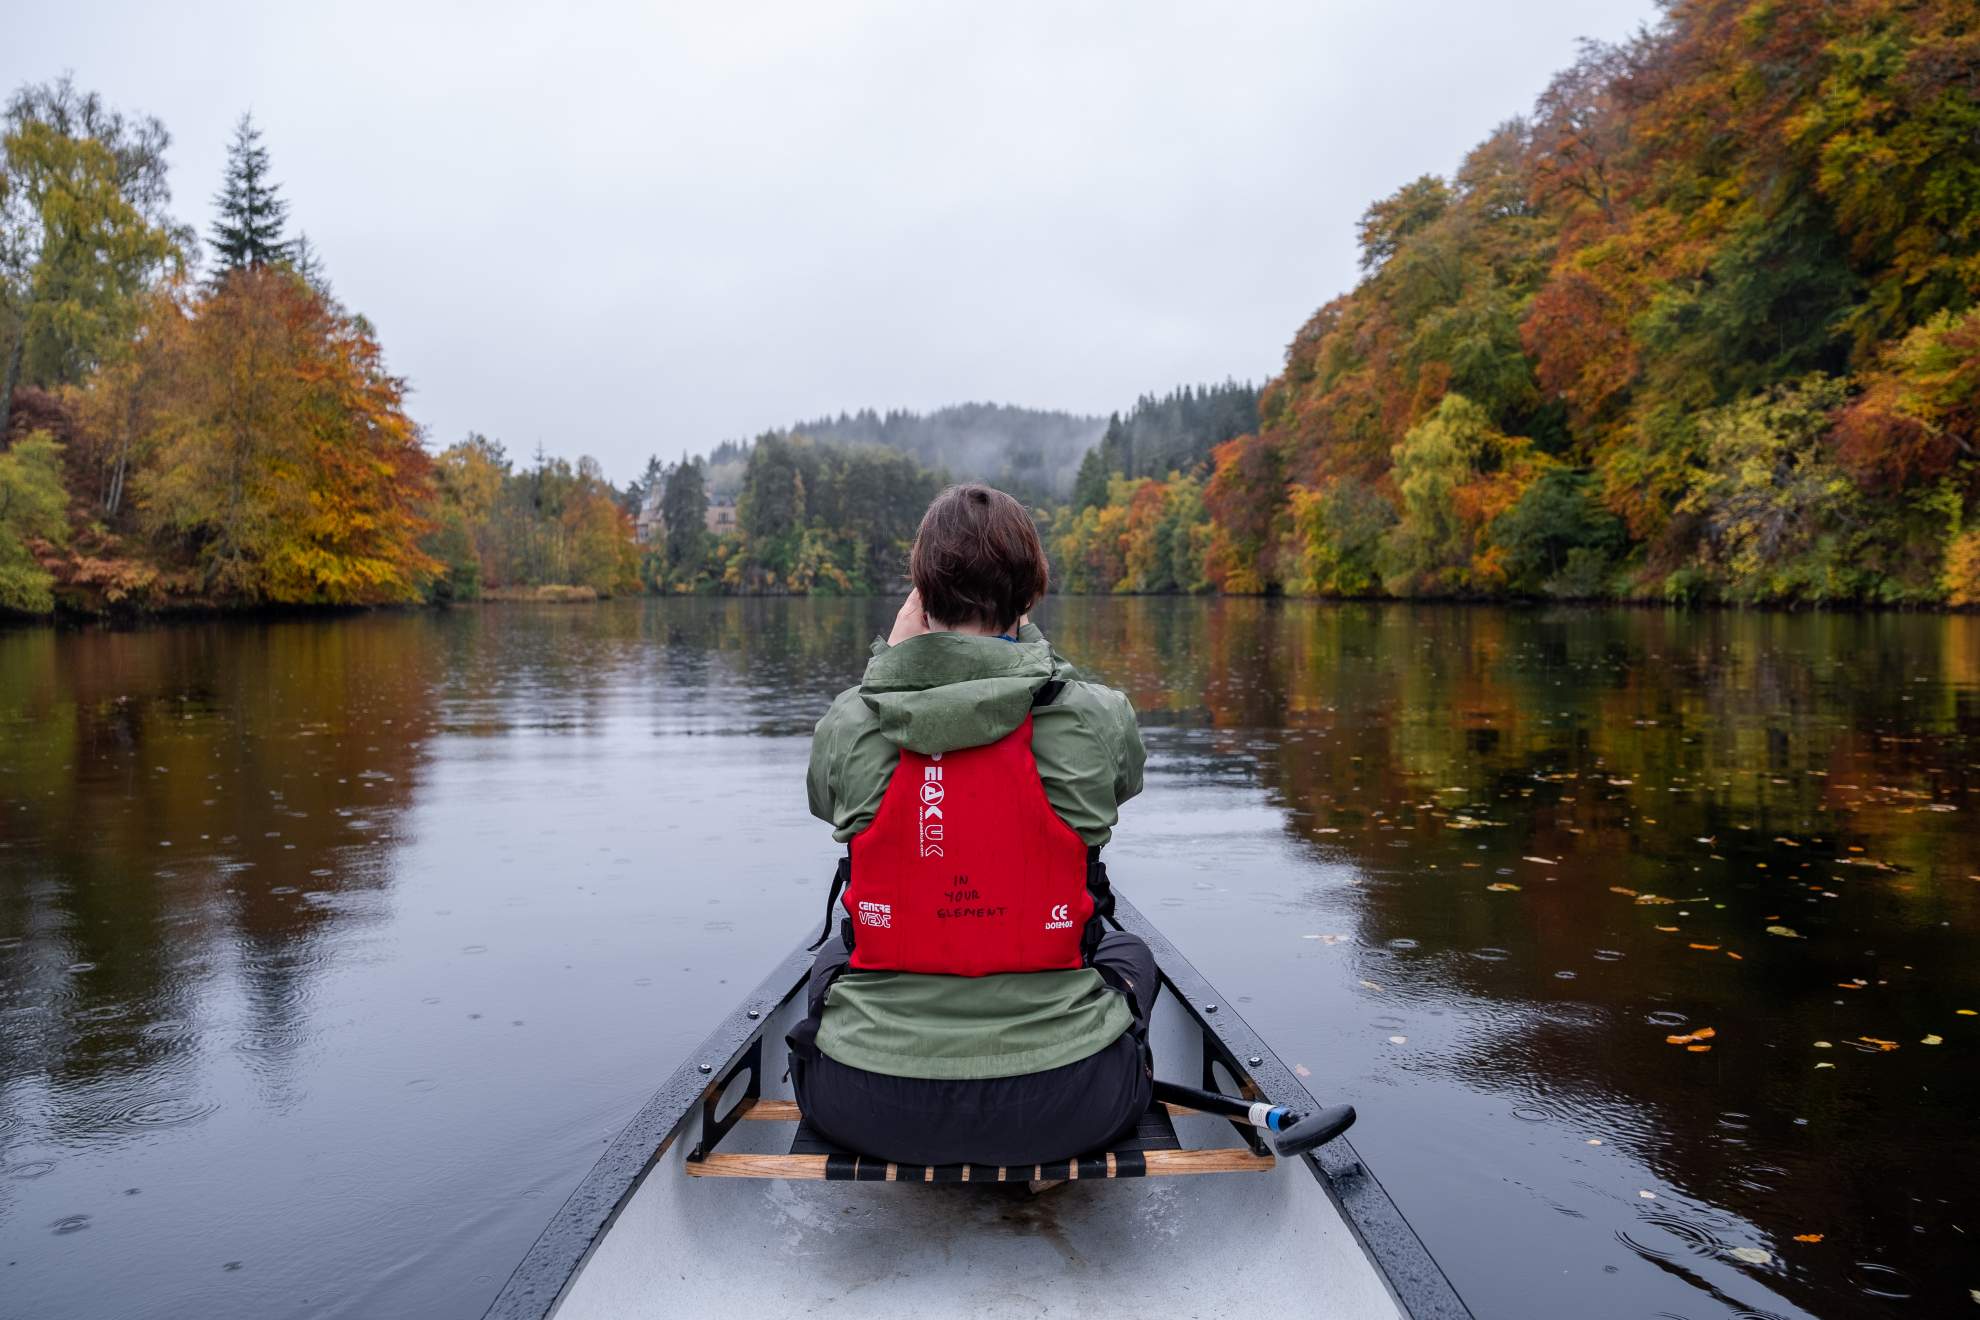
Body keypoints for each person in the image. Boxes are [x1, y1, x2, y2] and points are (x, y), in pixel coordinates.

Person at [789, 483, 1155, 1167]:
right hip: (1067, 1100)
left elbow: (826, 801)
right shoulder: (1091, 715)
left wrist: (890, 669)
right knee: (1130, 955)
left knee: (833, 958)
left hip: (865, 1100)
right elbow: (1122, 783)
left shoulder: (852, 722)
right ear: (1031, 596)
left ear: (918, 597)